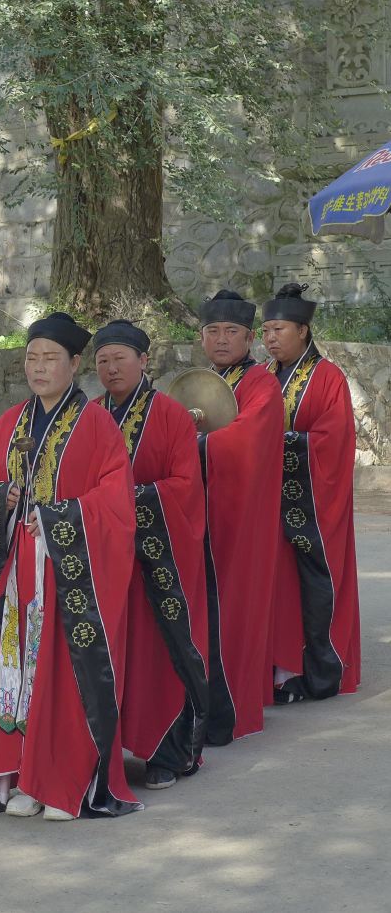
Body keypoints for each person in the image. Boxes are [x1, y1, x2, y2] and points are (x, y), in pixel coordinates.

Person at [0, 312, 140, 821]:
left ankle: (68, 781)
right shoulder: (10, 423)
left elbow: (116, 499)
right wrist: (2, 496)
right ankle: (21, 775)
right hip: (19, 574)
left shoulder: (96, 425)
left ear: (74, 364)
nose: (38, 368)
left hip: (68, 572)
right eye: (31, 359)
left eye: (50, 359)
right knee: (19, 673)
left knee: (63, 675)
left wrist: (60, 515)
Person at [92, 320, 208, 791]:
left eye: (121, 357)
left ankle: (169, 752)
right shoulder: (90, 415)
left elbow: (185, 488)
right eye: (103, 360)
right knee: (107, 653)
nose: (112, 367)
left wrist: (127, 499)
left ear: (144, 361)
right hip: (105, 559)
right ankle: (107, 750)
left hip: (158, 559)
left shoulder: (171, 416)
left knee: (159, 653)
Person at [262, 284, 361, 702]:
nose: (269, 337)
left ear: (303, 330)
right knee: (274, 589)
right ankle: (280, 672)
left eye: (278, 329)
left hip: (311, 502)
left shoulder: (328, 377)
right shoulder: (263, 376)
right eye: (265, 330)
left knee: (314, 586)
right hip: (269, 505)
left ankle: (317, 673)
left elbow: (334, 440)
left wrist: (275, 442)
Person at [196, 290, 284, 744]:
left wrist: (195, 446)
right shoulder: (197, 382)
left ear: (250, 338)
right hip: (199, 514)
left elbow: (248, 439)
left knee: (234, 609)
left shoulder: (261, 384)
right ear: (202, 337)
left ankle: (232, 710)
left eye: (232, 331)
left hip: (243, 515)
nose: (222, 339)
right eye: (213, 330)